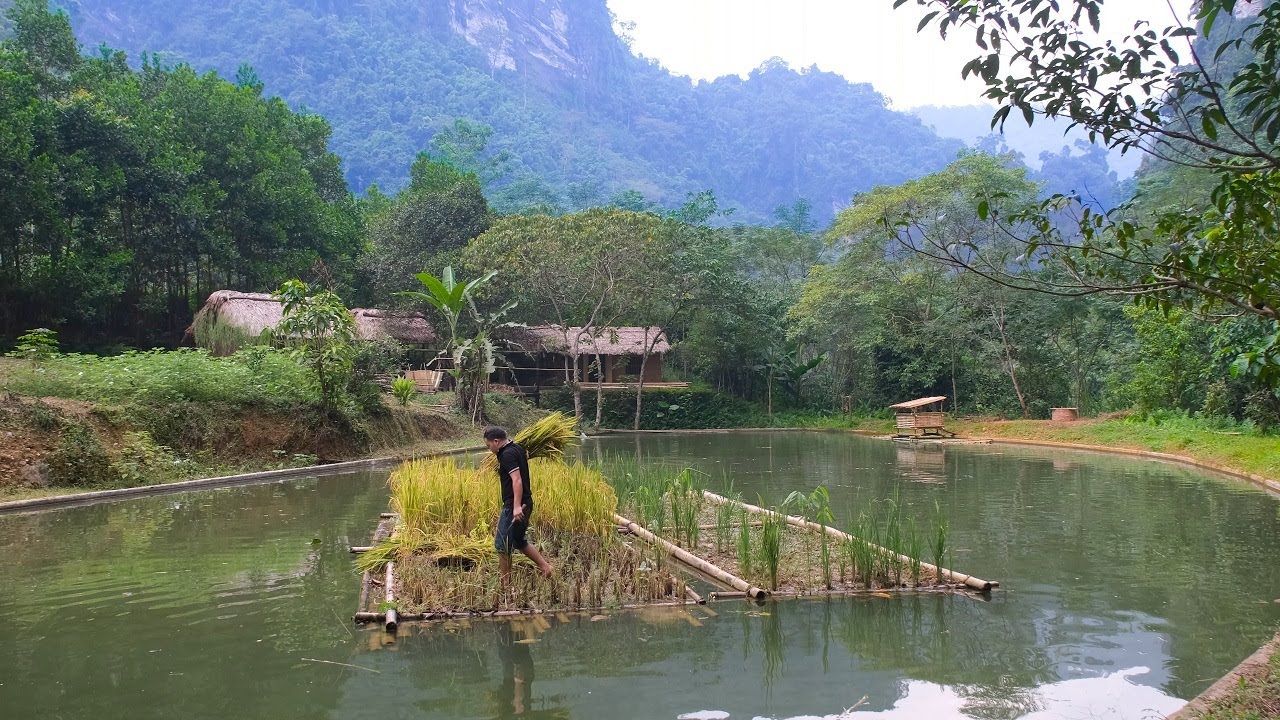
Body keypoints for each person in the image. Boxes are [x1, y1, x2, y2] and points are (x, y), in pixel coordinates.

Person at [484, 425, 553, 585]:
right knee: (517, 540)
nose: (489, 449)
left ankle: (505, 584)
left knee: (502, 545)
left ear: (496, 441)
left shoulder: (507, 455)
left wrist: (515, 506)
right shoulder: (517, 449)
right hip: (526, 503)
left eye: (489, 446)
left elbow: (517, 480)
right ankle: (546, 568)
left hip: (515, 506)